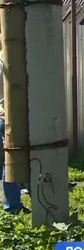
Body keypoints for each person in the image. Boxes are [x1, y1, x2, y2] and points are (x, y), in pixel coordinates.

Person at [1, 57, 30, 214]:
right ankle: (12, 205)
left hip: (5, 116)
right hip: (10, 116)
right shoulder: (9, 60)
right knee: (16, 159)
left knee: (11, 159)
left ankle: (12, 204)